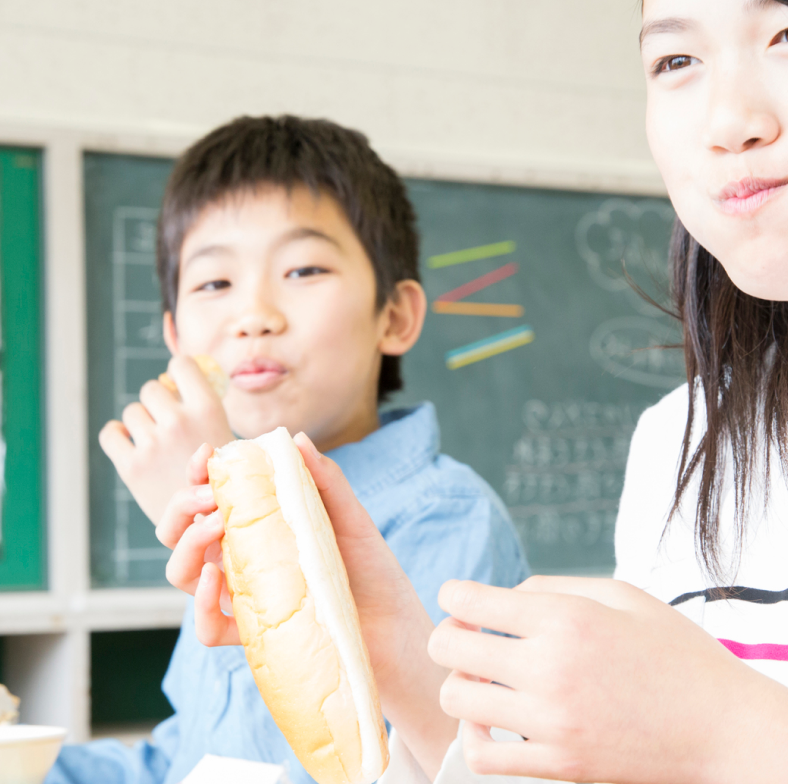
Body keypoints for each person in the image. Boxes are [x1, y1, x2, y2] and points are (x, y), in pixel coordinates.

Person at [159, 0, 788, 781]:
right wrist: (386, 643)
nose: (728, 119)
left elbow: (708, 747)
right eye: (676, 60)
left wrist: (727, 737)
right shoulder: (677, 442)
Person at [49, 116, 529, 784]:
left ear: (393, 317)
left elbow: (368, 763)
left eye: (304, 270)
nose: (254, 315)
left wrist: (243, 517)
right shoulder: (217, 510)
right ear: (175, 338)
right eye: (214, 285)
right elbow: (186, 762)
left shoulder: (446, 516)